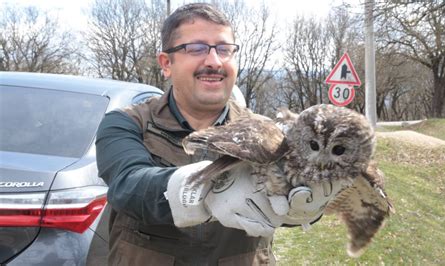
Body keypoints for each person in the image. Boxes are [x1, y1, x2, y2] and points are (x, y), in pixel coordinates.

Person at [95, 3, 341, 265]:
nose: (214, 61)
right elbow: (129, 185)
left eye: (224, 49)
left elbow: (289, 201)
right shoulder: (126, 123)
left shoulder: (269, 133)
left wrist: (303, 207)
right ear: (166, 63)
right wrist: (207, 190)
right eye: (196, 48)